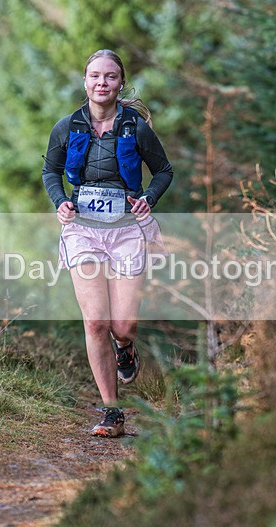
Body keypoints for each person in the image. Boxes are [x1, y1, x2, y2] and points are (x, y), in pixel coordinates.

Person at [41, 49, 173, 437]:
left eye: (110, 77)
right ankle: (111, 412)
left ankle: (126, 348)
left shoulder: (137, 128)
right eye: (95, 76)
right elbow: (50, 170)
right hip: (82, 229)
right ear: (85, 82)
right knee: (96, 322)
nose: (102, 83)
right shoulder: (66, 127)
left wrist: (148, 199)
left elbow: (164, 171)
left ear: (120, 83)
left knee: (123, 325)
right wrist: (60, 201)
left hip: (128, 230)